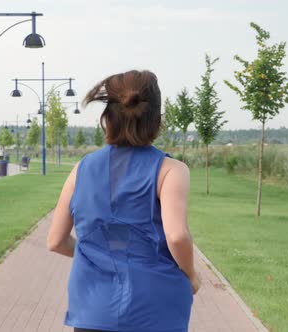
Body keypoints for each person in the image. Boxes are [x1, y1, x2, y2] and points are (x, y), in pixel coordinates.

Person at [47, 70, 201, 332]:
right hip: (156, 311)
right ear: (156, 118)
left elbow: (55, 241)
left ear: (108, 117)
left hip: (92, 311)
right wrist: (191, 275)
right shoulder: (171, 171)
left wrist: (101, 255)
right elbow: (176, 237)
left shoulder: (81, 169)